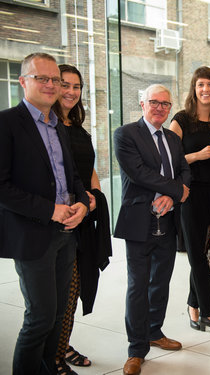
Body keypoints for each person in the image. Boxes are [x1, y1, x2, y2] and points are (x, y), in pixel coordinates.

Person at [0, 52, 89, 375]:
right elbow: (2, 187)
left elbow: (72, 177)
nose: (52, 85)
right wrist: (50, 210)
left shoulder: (58, 126)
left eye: (57, 80)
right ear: (23, 81)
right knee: (39, 318)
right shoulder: (7, 123)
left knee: (56, 316)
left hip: (66, 234)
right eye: (43, 78)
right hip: (32, 235)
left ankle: (50, 367)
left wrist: (81, 202)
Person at [113, 84, 191, 375]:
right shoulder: (125, 134)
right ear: (142, 103)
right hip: (139, 221)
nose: (159, 107)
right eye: (154, 102)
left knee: (161, 281)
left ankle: (154, 331)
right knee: (138, 285)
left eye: (165, 103)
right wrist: (177, 190)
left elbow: (184, 170)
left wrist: (173, 196)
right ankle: (136, 350)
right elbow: (138, 173)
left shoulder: (172, 138)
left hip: (167, 221)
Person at [52, 64, 112, 375]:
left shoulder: (79, 131)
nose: (71, 92)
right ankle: (54, 356)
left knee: (73, 291)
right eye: (65, 84)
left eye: (77, 86)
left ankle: (61, 346)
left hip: (82, 219)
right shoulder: (46, 129)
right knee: (57, 294)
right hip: (54, 222)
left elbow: (90, 172)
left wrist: (93, 198)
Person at [169, 66, 210, 334]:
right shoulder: (182, 120)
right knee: (197, 254)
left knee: (206, 252)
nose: (205, 89)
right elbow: (169, 160)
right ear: (194, 89)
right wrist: (197, 155)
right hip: (191, 194)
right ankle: (209, 312)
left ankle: (193, 305)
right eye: (200, 85)